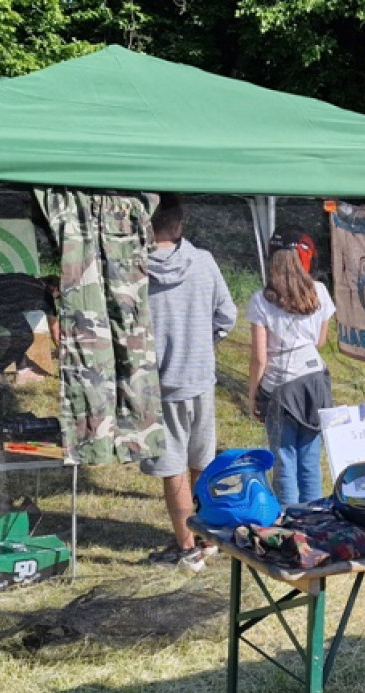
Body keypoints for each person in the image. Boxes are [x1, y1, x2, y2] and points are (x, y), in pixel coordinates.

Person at [140, 194, 237, 571]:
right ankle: (205, 538)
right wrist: (204, 343)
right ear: (179, 224)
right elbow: (226, 316)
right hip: (200, 379)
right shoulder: (204, 261)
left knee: (173, 468)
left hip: (158, 384)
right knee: (201, 462)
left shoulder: (133, 268)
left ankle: (187, 549)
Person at [247, 226, 335, 505]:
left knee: (284, 460)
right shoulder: (319, 292)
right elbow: (320, 341)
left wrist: (253, 395)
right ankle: (315, 523)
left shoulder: (261, 300)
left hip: (282, 389)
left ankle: (291, 524)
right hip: (316, 382)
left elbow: (260, 357)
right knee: (310, 459)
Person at [0, 272, 60, 387]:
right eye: (58, 296)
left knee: (19, 334)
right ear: (55, 289)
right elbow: (55, 333)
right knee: (25, 337)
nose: (56, 299)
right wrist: (63, 353)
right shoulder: (47, 297)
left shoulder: (26, 278)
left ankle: (23, 370)